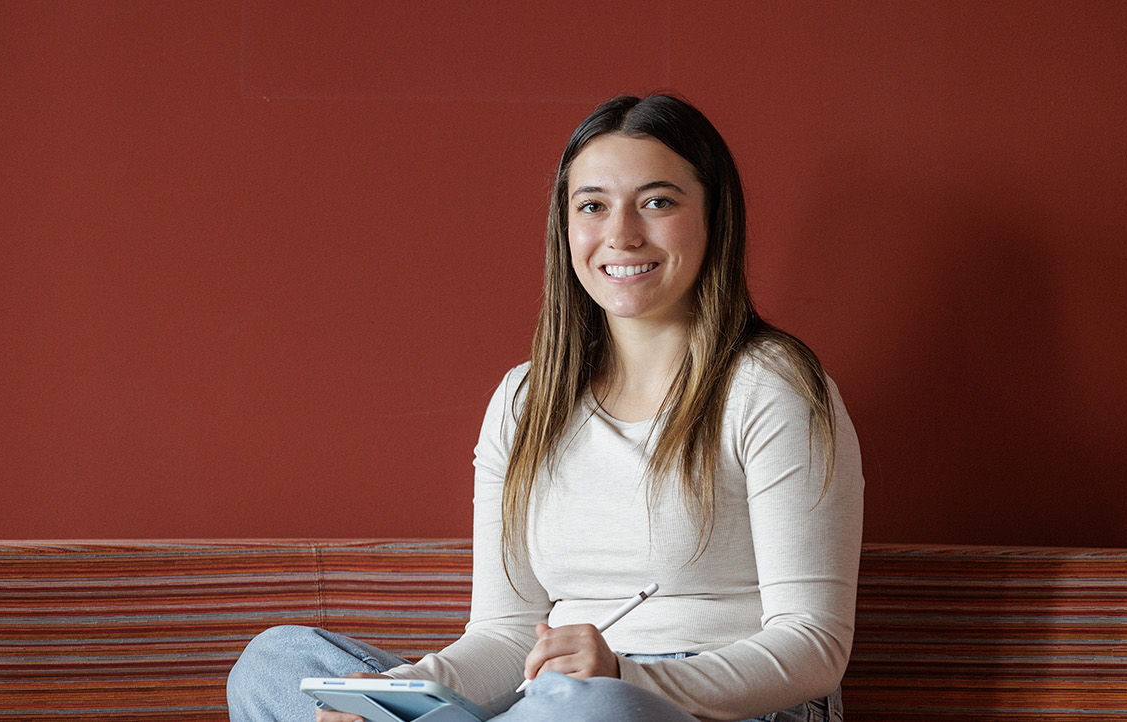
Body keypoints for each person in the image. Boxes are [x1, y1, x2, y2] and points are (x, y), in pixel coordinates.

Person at [226, 94, 865, 722]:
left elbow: (814, 645)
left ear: (715, 218)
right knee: (275, 664)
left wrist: (627, 676)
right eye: (593, 206)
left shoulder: (772, 387)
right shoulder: (525, 400)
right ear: (566, 226)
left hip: (710, 703)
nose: (621, 234)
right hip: (550, 699)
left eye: (658, 202)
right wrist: (386, 697)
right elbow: (506, 637)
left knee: (581, 705)